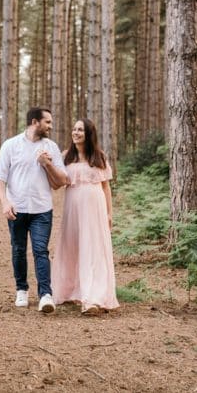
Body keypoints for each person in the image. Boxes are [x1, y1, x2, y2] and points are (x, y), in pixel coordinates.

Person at [0, 107, 69, 313]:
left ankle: (45, 294)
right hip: (16, 208)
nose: (51, 126)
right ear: (35, 122)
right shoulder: (10, 145)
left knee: (40, 250)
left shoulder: (51, 147)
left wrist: (47, 164)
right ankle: (21, 290)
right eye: (48, 122)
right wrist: (5, 202)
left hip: (42, 208)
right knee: (18, 249)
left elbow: (62, 181)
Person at [51, 118, 119, 315]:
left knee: (93, 248)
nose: (76, 133)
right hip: (72, 208)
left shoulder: (99, 157)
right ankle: (70, 290)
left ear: (89, 134)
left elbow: (106, 188)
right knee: (72, 246)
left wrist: (109, 213)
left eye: (80, 130)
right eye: (74, 129)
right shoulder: (65, 157)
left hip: (94, 207)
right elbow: (56, 181)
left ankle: (93, 297)